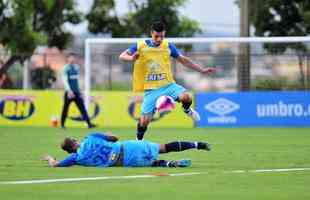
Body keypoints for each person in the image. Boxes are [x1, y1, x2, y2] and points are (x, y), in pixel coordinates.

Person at [119, 21, 216, 140]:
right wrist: (131, 58)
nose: (159, 39)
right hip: (151, 90)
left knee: (187, 97)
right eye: (156, 36)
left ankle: (187, 110)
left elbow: (183, 60)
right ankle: (139, 141)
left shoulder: (168, 46)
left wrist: (201, 70)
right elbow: (122, 56)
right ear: (151, 33)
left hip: (168, 85)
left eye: (162, 36)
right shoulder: (140, 45)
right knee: (144, 122)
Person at [42, 132, 211, 168]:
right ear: (75, 140)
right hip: (127, 147)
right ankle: (197, 144)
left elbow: (55, 165)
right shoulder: (90, 137)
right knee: (164, 147)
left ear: (68, 151)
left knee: (151, 163)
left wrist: (50, 158)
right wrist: (108, 136)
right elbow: (114, 137)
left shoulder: (76, 159)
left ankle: (169, 165)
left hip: (123, 162)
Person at [60, 53, 96, 129]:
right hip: (69, 93)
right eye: (71, 58)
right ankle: (62, 124)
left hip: (76, 92)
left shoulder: (76, 67)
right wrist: (69, 91)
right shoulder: (66, 68)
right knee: (65, 108)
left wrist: (80, 90)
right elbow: (65, 80)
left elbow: (78, 81)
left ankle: (89, 124)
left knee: (82, 108)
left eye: (73, 58)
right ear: (68, 59)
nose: (72, 59)